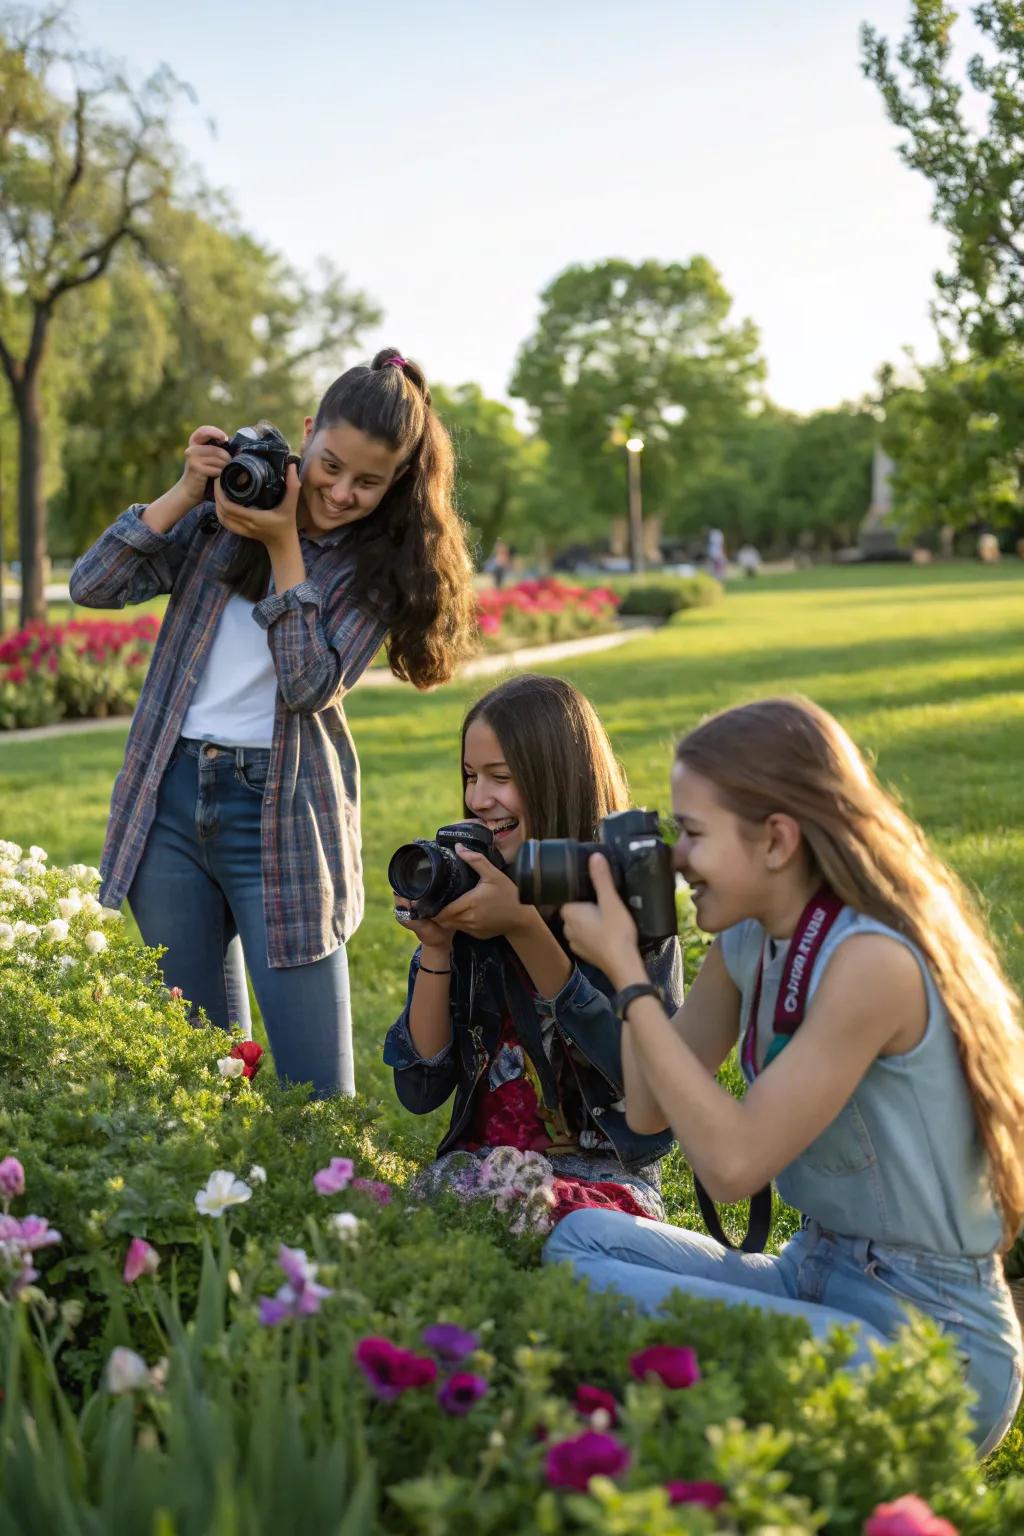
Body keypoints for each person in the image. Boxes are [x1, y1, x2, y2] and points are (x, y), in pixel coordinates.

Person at [545, 696, 1024, 1456]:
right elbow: (644, 1110)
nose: (675, 859)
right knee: (581, 1245)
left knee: (609, 1289)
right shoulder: (749, 939)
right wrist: (634, 946)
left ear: (776, 841)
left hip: (933, 1344)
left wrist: (630, 978)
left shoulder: (872, 962)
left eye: (693, 834)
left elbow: (732, 1167)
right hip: (817, 1274)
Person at [69, 350, 477, 1097]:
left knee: (316, 1095)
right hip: (170, 800)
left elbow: (308, 683)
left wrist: (284, 543)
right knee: (200, 1078)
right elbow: (91, 584)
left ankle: (331, 1208)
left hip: (283, 817)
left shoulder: (379, 566)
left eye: (368, 482)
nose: (343, 492)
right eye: (330, 465)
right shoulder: (227, 505)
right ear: (308, 430)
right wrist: (185, 490)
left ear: (397, 484)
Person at [383, 673, 684, 1220]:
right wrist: (437, 950)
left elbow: (654, 1100)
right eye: (470, 777)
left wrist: (525, 927)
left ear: (556, 780)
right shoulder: (474, 885)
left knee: (562, 1232)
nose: (478, 799)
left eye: (500, 777)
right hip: (481, 1168)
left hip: (606, 1178)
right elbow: (421, 1089)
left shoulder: (625, 899)